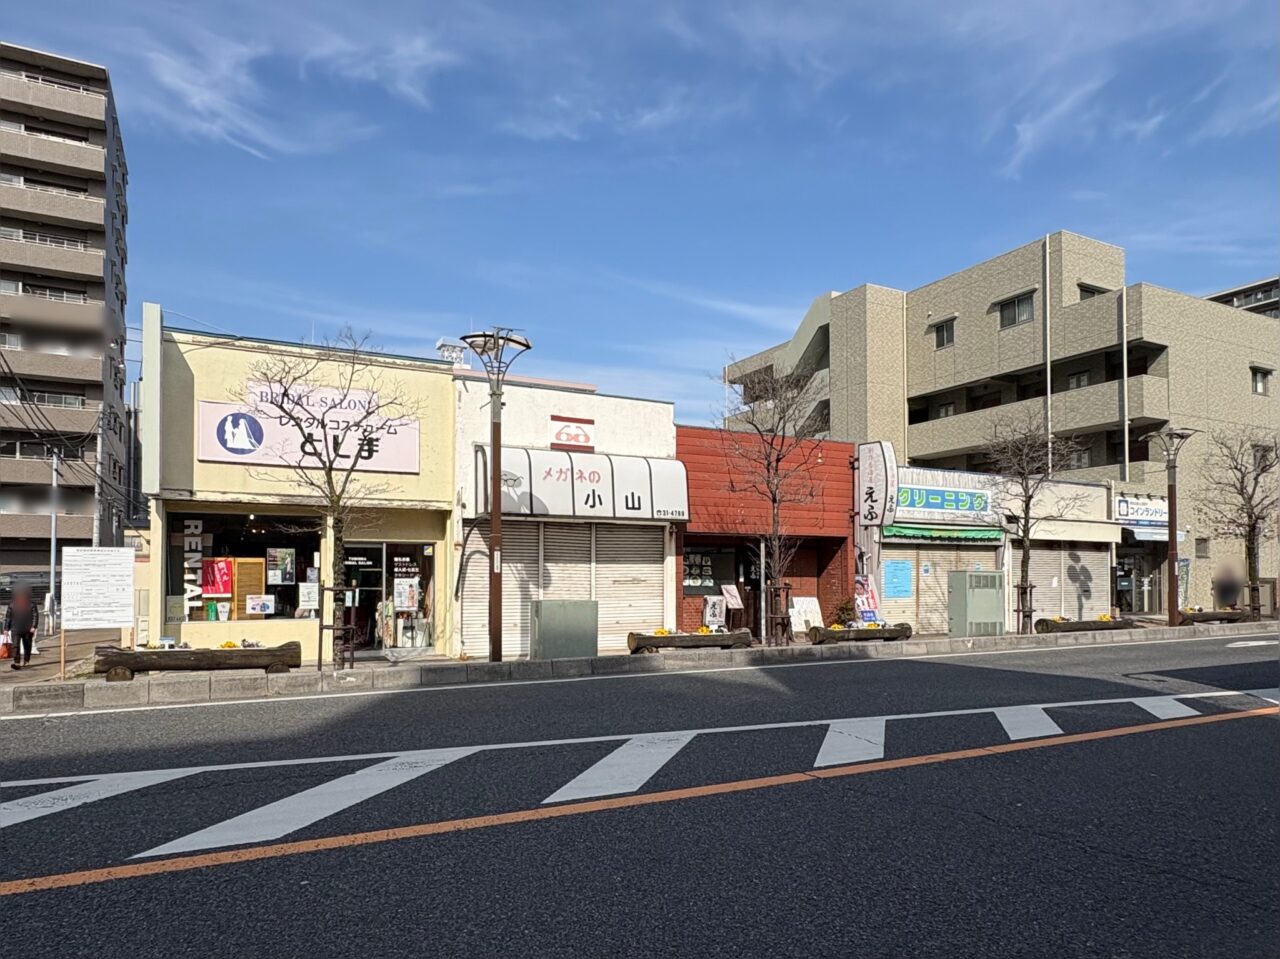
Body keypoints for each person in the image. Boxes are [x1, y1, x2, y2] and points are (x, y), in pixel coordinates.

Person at [5, 586, 40, 670]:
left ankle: (26, 660)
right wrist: (6, 629)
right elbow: (8, 617)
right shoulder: (12, 605)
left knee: (27, 645)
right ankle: (16, 662)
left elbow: (35, 616)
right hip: (15, 628)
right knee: (15, 646)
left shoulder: (31, 604)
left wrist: (33, 626)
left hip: (27, 628)